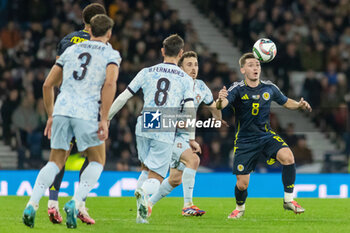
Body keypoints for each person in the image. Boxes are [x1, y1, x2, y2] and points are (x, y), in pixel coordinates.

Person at [22, 14, 120, 228]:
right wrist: (104, 118)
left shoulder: (71, 50)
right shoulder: (111, 54)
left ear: (89, 30)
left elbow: (47, 85)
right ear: (109, 33)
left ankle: (32, 204)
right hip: (86, 111)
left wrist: (50, 114)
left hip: (62, 109)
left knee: (54, 162)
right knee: (97, 161)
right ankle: (75, 202)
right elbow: (110, 85)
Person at [108, 34, 197, 223]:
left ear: (163, 51)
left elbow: (124, 96)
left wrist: (107, 118)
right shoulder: (185, 78)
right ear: (181, 54)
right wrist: (190, 137)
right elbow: (189, 110)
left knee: (145, 169)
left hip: (146, 120)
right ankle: (143, 191)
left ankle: (140, 217)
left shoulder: (146, 71)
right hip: (165, 123)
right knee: (156, 177)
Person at [216, 52, 312, 219]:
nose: (255, 68)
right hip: (245, 141)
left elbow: (285, 101)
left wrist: (299, 105)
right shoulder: (237, 89)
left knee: (288, 157)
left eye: (258, 65)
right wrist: (219, 100)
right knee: (242, 184)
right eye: (251, 65)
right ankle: (240, 208)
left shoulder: (269, 87)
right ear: (243, 69)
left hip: (265, 136)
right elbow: (223, 103)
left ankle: (289, 200)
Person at [48, 3, 106, 225]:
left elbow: (56, 75)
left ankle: (52, 204)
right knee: (94, 157)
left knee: (60, 155)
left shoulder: (67, 40)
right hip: (88, 105)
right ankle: (79, 204)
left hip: (65, 102)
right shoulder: (100, 44)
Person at [148, 51, 222, 216]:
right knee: (193, 159)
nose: (194, 68)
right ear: (180, 67)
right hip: (167, 134)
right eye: (189, 65)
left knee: (175, 179)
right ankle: (187, 205)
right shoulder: (173, 85)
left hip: (183, 135)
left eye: (196, 64)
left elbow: (216, 114)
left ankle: (147, 203)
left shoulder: (201, 86)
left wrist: (221, 104)